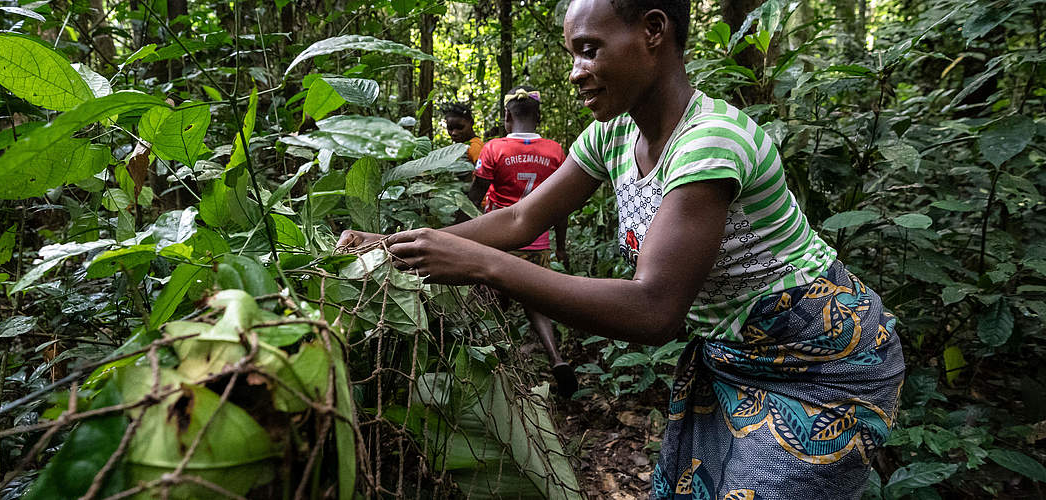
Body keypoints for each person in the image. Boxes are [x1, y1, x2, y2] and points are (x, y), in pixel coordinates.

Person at [338, 0, 905, 497]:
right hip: (731, 354)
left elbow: (655, 310)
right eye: (573, 55)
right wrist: (391, 248)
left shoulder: (710, 142)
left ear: (653, 31)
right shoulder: (613, 135)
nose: (577, 73)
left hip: (818, 364)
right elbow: (520, 217)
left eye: (589, 50)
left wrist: (486, 266)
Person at [467, 85, 577, 397]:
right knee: (536, 303)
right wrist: (561, 245)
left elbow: (475, 196)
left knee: (491, 305)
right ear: (538, 116)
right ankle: (556, 358)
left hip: (499, 242)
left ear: (507, 116)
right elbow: (560, 206)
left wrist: (454, 231)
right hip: (537, 244)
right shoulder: (555, 151)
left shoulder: (494, 149)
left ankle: (503, 369)